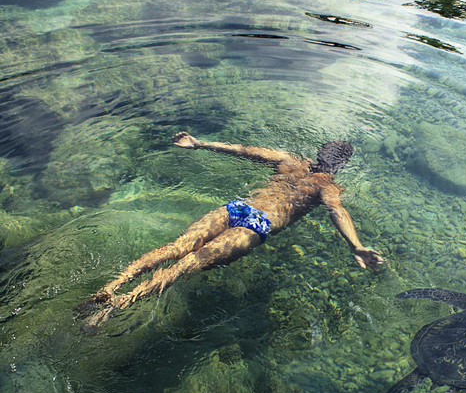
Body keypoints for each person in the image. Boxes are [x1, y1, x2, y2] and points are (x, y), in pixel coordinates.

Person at [76, 130, 384, 328]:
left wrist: (200, 143)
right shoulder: (328, 186)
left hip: (237, 207)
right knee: (186, 265)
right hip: (257, 225)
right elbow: (337, 211)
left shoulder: (288, 159)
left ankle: (112, 286)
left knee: (174, 248)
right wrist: (355, 246)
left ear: (319, 152)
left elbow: (242, 149)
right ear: (340, 165)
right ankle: (117, 305)